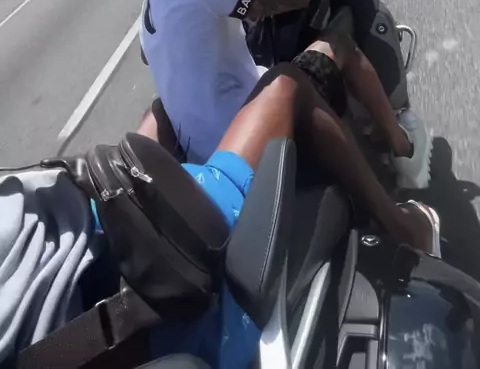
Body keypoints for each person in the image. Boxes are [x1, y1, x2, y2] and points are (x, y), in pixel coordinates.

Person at [0, 61, 439, 369]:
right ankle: (405, 225)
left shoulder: (156, 7)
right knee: (286, 84)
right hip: (146, 283)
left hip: (96, 222)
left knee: (158, 111)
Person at [123, 0, 431, 187]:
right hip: (250, 131)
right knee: (338, 44)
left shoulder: (151, 3)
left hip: (206, 154)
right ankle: (405, 150)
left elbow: (156, 52)